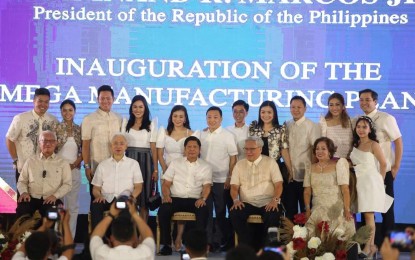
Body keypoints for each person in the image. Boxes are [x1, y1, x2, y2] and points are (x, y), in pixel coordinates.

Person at [358, 89, 403, 239]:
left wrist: (396, 166)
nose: (364, 103)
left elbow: (398, 141)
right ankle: (368, 247)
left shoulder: (386, 118)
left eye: (367, 100)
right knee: (366, 212)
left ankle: (388, 248)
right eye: (361, 100)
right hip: (365, 174)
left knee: (387, 211)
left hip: (383, 172)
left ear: (375, 102)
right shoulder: (359, 120)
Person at [158, 136, 212, 255]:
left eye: (195, 147)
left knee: (203, 210)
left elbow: (207, 186)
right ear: (184, 149)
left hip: (194, 200)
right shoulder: (175, 163)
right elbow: (166, 184)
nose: (192, 149)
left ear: (199, 149)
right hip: (175, 199)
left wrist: (203, 199)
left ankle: (197, 247)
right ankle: (166, 245)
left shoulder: (206, 166)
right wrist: (166, 196)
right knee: (163, 210)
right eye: (189, 147)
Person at [229, 136, 283, 249]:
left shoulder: (270, 162)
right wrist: (236, 200)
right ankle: (247, 248)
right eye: (246, 149)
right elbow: (234, 186)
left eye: (252, 149)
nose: (248, 152)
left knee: (273, 214)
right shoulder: (239, 164)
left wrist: (275, 200)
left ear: (260, 149)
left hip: (267, 202)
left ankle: (269, 249)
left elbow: (278, 184)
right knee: (235, 212)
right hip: (247, 202)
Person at [350, 116, 391, 258]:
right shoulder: (356, 144)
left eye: (364, 127)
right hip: (359, 183)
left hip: (371, 182)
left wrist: (380, 181)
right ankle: (371, 247)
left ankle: (368, 247)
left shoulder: (374, 144)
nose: (361, 129)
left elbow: (384, 164)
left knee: (369, 215)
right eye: (359, 127)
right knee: (366, 215)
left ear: (370, 129)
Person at [198, 106, 238, 252]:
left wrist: (230, 177)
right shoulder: (201, 134)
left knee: (221, 212)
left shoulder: (227, 135)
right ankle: (208, 242)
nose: (212, 120)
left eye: (215, 117)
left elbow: (233, 158)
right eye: (209, 117)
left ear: (221, 119)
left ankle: (220, 240)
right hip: (205, 181)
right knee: (207, 212)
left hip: (222, 180)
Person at [156, 105, 196, 251]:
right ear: (171, 117)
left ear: (185, 118)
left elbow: (193, 152)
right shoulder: (164, 132)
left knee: (181, 204)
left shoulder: (191, 133)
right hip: (167, 172)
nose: (178, 119)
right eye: (175, 116)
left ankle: (179, 236)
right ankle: (168, 240)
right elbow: (160, 154)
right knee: (167, 204)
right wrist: (166, 171)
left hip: (184, 173)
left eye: (181, 116)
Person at [303, 137, 355, 238]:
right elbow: (307, 192)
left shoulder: (339, 165)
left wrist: (347, 209)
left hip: (335, 207)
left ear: (330, 151)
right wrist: (308, 210)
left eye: (323, 148)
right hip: (317, 208)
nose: (319, 151)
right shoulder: (310, 167)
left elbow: (345, 190)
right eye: (317, 148)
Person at [6, 87, 58, 186]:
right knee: (24, 199)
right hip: (24, 168)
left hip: (46, 169)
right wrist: (16, 160)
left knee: (44, 200)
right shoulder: (20, 118)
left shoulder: (53, 120)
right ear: (34, 101)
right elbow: (10, 139)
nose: (43, 104)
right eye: (40, 101)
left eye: (46, 102)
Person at [90, 133, 143, 229]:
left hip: (125, 199)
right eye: (115, 143)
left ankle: (124, 240)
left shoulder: (133, 164)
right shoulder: (103, 165)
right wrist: (98, 196)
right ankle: (98, 239)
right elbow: (96, 188)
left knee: (127, 209)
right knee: (96, 206)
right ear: (111, 146)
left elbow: (138, 187)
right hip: (106, 199)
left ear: (126, 146)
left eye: (121, 143)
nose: (118, 146)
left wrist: (131, 198)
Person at [249, 101, 293, 212]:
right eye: (263, 112)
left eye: (269, 112)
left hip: (274, 168)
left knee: (275, 199)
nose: (266, 115)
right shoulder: (254, 129)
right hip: (257, 169)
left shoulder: (280, 129)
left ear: (274, 114)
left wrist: (290, 170)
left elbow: (284, 150)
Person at [16, 130, 72, 217]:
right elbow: (22, 181)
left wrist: (55, 196)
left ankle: (49, 231)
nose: (48, 144)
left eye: (51, 141)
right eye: (44, 141)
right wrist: (23, 192)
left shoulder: (63, 163)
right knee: (22, 210)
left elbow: (67, 184)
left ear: (56, 143)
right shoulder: (31, 161)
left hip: (52, 198)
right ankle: (25, 231)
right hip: (32, 197)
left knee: (52, 214)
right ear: (39, 143)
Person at [81, 85, 122, 201]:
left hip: (116, 166)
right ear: (97, 99)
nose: (105, 101)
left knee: (116, 201)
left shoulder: (119, 118)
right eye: (102, 98)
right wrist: (87, 166)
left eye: (108, 98)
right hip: (96, 166)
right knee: (97, 200)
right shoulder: (89, 119)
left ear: (113, 99)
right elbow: (85, 145)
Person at [122, 95, 158, 222]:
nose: (138, 110)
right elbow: (122, 144)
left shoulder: (151, 124)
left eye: (141, 107)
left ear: (145, 108)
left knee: (144, 199)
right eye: (135, 107)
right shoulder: (126, 123)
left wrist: (156, 170)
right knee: (130, 197)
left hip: (146, 162)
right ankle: (132, 235)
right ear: (131, 109)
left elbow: (153, 148)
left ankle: (144, 235)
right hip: (129, 161)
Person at [285, 96, 320, 220]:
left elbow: (316, 151)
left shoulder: (311, 126)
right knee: (290, 211)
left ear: (305, 108)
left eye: (299, 107)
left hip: (306, 174)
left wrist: (312, 173)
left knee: (307, 210)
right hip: (290, 175)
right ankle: (290, 238)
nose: (296, 110)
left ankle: (308, 239)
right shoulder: (287, 125)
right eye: (293, 107)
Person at [54, 99, 82, 238]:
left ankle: (68, 239)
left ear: (75, 111)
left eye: (70, 110)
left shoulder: (79, 129)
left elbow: (84, 151)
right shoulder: (55, 128)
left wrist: (75, 163)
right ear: (61, 112)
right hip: (57, 171)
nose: (67, 113)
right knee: (57, 205)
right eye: (64, 110)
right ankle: (55, 239)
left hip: (74, 170)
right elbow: (51, 150)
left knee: (72, 207)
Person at [89, 201, 155, 260]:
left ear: (111, 238)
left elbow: (95, 236)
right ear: (134, 237)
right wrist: (134, 214)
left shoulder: (102, 254)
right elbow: (148, 236)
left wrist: (111, 215)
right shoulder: (145, 254)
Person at [319, 93, 353, 159]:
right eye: (331, 105)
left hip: (349, 161)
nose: (334, 108)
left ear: (343, 106)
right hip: (330, 161)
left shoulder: (351, 122)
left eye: (337, 104)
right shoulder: (323, 122)